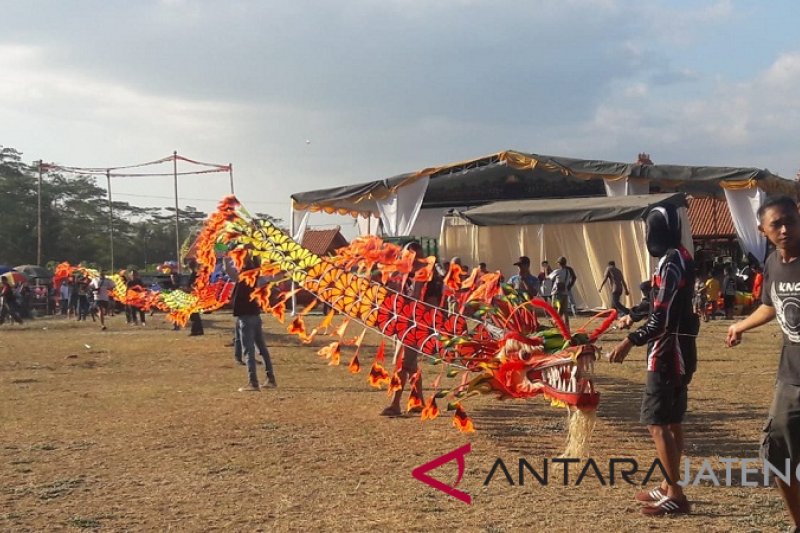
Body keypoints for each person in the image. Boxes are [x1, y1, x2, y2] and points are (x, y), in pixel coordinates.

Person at [609, 204, 699, 516]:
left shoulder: (669, 264)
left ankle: (675, 493)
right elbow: (655, 302)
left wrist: (627, 342)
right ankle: (667, 485)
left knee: (657, 423)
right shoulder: (681, 257)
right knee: (672, 420)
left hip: (667, 354)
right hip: (683, 351)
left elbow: (659, 320)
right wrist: (629, 316)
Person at [726, 196, 800, 531]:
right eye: (776, 224)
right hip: (791, 379)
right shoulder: (772, 262)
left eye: (790, 221)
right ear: (762, 230)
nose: (785, 229)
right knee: (778, 457)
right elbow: (771, 305)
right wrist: (740, 325)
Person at [381, 241, 427, 417]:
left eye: (415, 255)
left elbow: (415, 299)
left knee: (403, 364)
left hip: (415, 325)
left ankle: (395, 404)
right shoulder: (402, 275)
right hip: (402, 324)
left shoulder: (422, 276)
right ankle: (419, 401)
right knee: (412, 365)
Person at [224, 255, 276, 391]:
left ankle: (253, 382)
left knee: (249, 350)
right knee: (262, 349)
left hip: (245, 317)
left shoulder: (243, 275)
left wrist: (224, 258)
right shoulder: (256, 275)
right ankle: (270, 378)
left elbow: (230, 272)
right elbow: (269, 278)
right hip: (255, 315)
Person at [548, 256, 575, 327]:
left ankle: (555, 324)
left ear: (559, 264)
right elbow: (573, 278)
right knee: (564, 312)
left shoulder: (557, 271)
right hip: (565, 293)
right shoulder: (568, 272)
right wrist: (569, 287)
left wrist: (547, 269)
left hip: (556, 293)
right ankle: (567, 328)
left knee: (555, 310)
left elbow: (549, 277)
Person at [186, 261, 204, 336]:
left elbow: (192, 286)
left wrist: (186, 289)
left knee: (193, 315)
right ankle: (199, 330)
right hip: (195, 296)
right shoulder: (196, 274)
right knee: (195, 315)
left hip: (193, 297)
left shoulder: (193, 275)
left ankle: (195, 331)